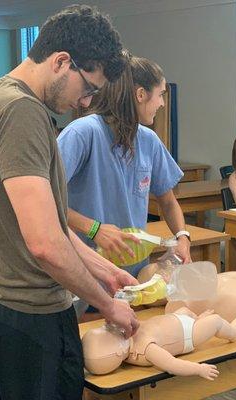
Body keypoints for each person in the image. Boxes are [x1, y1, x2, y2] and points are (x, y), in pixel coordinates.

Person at [0, 5, 140, 400]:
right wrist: (106, 306)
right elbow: (44, 244)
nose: (85, 103)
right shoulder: (22, 112)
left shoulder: (8, 100)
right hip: (27, 316)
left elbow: (52, 224)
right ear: (62, 61)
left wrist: (103, 270)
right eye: (88, 89)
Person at [58, 53, 192, 280]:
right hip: (84, 273)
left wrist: (182, 236)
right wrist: (95, 229)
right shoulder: (82, 134)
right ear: (140, 94)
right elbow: (46, 201)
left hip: (132, 274)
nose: (161, 103)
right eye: (160, 95)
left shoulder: (149, 140)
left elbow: (168, 202)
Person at [82, 307, 236, 379]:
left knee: (182, 309)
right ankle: (232, 331)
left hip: (175, 319)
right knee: (216, 321)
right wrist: (199, 369)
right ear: (117, 353)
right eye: (111, 332)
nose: (112, 328)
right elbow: (171, 364)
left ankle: (197, 318)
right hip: (188, 333)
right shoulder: (146, 350)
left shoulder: (128, 337)